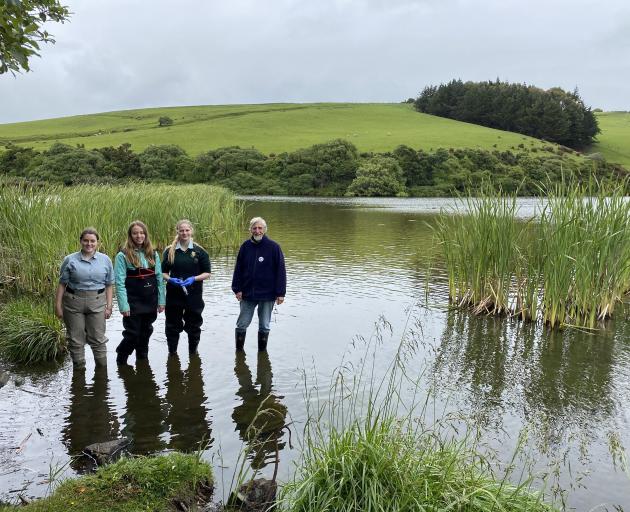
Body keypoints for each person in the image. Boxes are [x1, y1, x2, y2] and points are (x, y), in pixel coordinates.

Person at [55, 227, 114, 370]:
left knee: (98, 339)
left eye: (92, 241)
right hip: (73, 302)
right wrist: (57, 306)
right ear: (81, 241)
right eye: (86, 240)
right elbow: (62, 284)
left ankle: (102, 372)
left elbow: (109, 284)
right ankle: (79, 370)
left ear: (97, 242)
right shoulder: (70, 260)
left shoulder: (105, 260)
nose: (89, 244)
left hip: (98, 302)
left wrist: (109, 306)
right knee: (75, 339)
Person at [114, 221, 166, 365]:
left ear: (146, 234)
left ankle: (142, 360)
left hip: (150, 301)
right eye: (135, 233)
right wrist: (124, 306)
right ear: (130, 235)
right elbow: (119, 283)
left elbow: (159, 279)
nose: (139, 236)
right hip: (132, 302)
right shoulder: (122, 256)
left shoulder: (153, 254)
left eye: (142, 232)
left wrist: (162, 301)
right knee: (132, 334)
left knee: (146, 332)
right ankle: (121, 358)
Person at [232, 217, 286, 352]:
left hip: (267, 294)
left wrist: (280, 293)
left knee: (264, 325)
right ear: (250, 230)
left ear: (265, 230)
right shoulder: (245, 246)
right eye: (254, 228)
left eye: (260, 228)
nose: (257, 231)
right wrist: (237, 289)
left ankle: (262, 352)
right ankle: (239, 353)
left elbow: (281, 271)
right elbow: (238, 269)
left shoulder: (274, 247)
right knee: (242, 324)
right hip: (247, 293)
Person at [161, 219, 211, 355]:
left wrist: (194, 279)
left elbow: (207, 273)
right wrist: (170, 279)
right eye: (181, 230)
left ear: (191, 231)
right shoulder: (169, 251)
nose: (184, 233)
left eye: (187, 230)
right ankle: (172, 353)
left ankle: (193, 353)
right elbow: (163, 273)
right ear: (177, 231)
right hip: (174, 295)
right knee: (172, 326)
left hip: (194, 295)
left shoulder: (200, 251)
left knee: (194, 326)